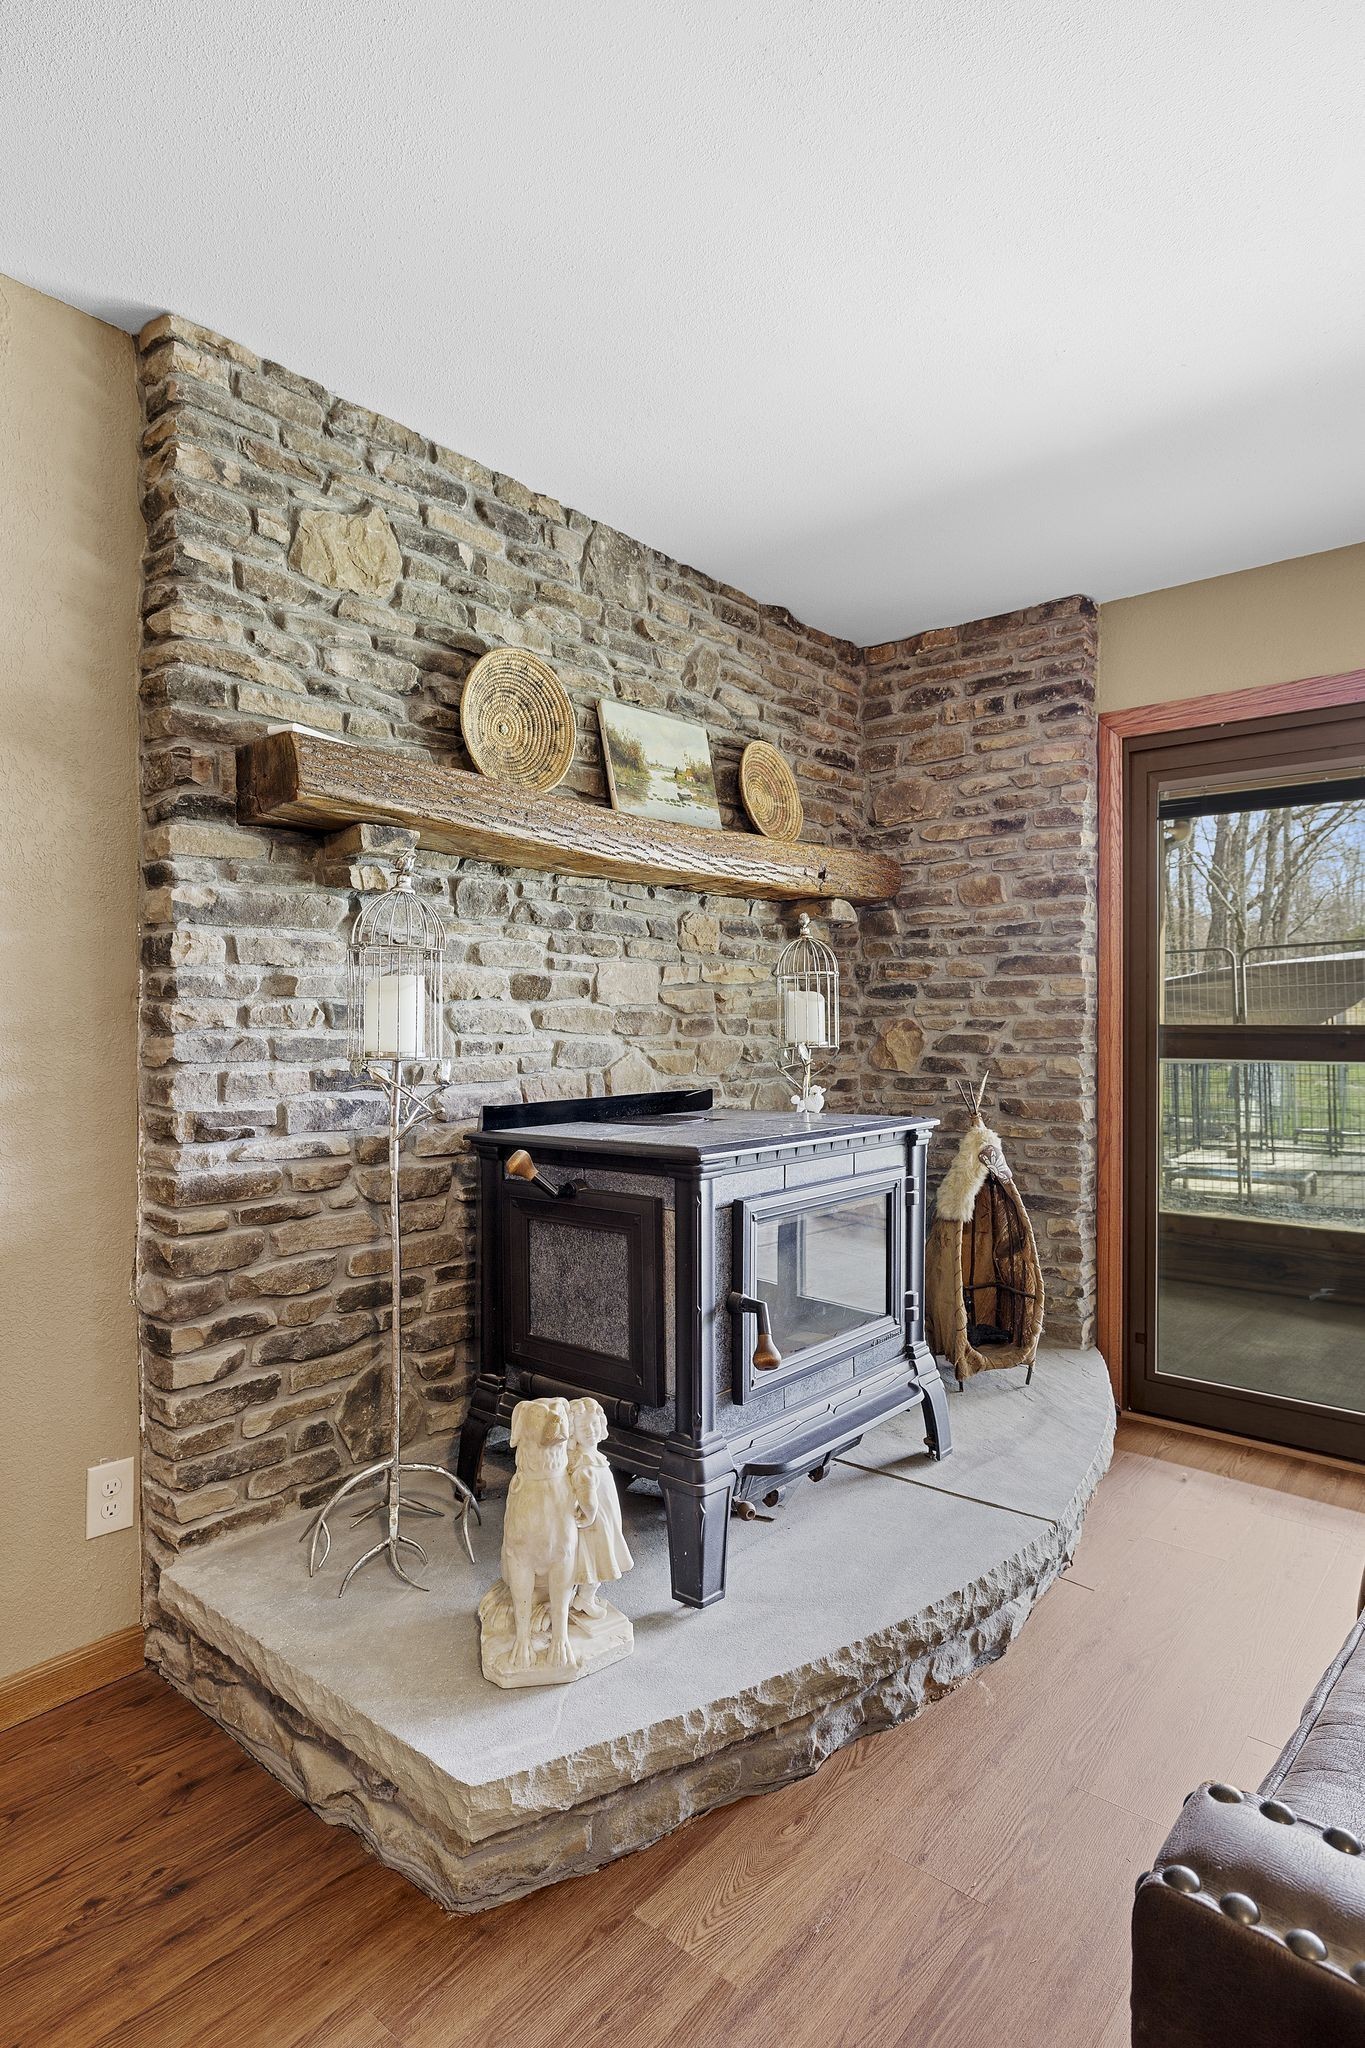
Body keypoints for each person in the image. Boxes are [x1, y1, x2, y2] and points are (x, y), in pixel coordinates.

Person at [567, 1398, 634, 1619]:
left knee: (595, 1561)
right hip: (595, 1522)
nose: (591, 1431)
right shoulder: (584, 1463)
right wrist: (589, 1515)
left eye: (595, 1425)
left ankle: (579, 1598)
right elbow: (586, 1496)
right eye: (583, 1428)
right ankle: (583, 1599)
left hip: (604, 1517)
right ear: (572, 1433)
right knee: (595, 1562)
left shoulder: (593, 1458)